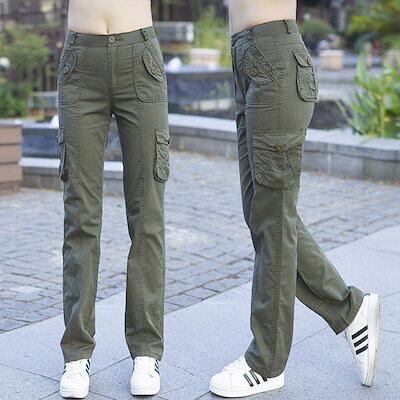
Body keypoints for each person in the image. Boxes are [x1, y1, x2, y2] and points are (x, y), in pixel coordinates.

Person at [209, 1, 381, 398]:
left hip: (272, 57)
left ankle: (266, 363)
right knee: (263, 211)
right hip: (248, 59)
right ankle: (350, 310)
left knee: (272, 216)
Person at [57, 0, 168, 398]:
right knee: (80, 215)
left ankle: (146, 351)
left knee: (147, 215)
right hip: (80, 64)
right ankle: (76, 353)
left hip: (140, 60)